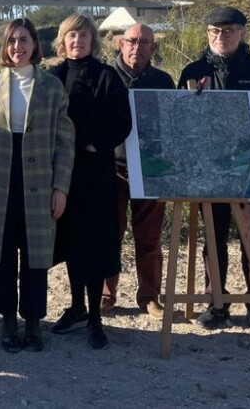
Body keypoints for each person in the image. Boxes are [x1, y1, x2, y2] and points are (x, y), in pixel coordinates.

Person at [0, 18, 75, 353]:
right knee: (1, 252)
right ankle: (8, 320)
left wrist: (61, 187)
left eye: (24, 40)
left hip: (38, 180)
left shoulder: (52, 87)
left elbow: (65, 142)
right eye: (12, 40)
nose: (17, 47)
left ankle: (33, 322)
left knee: (34, 255)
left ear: (35, 45)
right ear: (5, 45)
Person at [176, 6, 250, 332]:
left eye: (227, 31)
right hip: (209, 172)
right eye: (214, 31)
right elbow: (180, 122)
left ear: (242, 33)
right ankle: (216, 304)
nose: (220, 36)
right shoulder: (193, 71)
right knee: (213, 239)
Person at [49, 14, 132, 349]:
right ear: (63, 39)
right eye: (72, 35)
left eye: (83, 35)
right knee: (69, 241)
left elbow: (123, 121)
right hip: (62, 174)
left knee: (94, 245)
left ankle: (96, 317)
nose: (77, 41)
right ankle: (77, 308)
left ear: (92, 41)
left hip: (96, 174)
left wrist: (97, 144)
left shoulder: (107, 76)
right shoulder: (52, 77)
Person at [102, 23, 174, 321]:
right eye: (132, 41)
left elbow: (171, 125)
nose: (137, 47)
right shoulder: (105, 76)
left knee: (150, 239)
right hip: (112, 169)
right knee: (109, 236)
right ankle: (106, 294)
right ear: (121, 44)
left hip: (151, 170)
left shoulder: (163, 81)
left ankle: (149, 296)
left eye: (145, 42)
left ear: (153, 48)